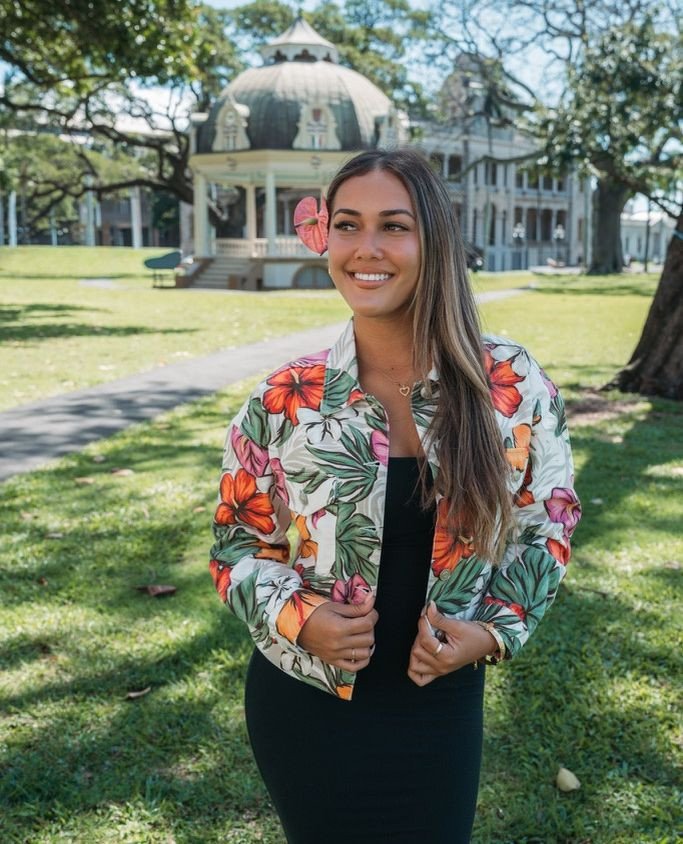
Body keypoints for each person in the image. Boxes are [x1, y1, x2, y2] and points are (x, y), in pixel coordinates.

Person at [209, 148, 580, 843]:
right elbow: (236, 547)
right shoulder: (285, 398)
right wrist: (297, 615)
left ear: (432, 239)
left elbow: (546, 525)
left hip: (435, 700)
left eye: (393, 226)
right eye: (346, 225)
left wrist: (494, 631)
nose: (365, 249)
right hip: (306, 699)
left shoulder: (510, 382)